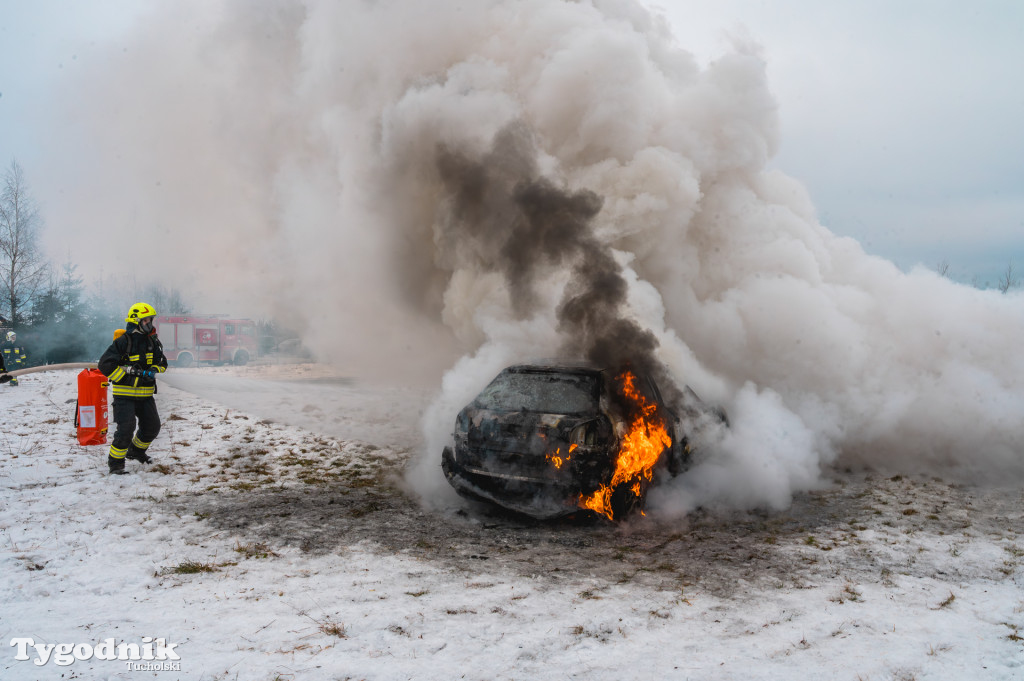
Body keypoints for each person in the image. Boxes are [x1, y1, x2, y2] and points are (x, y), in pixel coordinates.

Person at [98, 303, 168, 475]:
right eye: (146, 321)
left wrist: (153, 370)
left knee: (152, 427)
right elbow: (105, 364)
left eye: (150, 320)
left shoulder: (153, 342)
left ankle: (135, 451)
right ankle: (115, 464)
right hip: (125, 396)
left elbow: (163, 364)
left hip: (145, 395)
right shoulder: (124, 341)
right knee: (126, 429)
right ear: (136, 321)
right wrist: (125, 377)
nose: (150, 324)